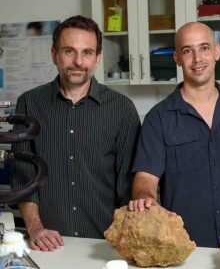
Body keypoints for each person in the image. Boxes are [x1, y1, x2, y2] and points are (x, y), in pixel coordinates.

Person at [10, 15, 141, 251]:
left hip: (105, 244)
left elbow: (128, 186)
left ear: (98, 58)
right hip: (48, 244)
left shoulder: (122, 109)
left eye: (87, 52)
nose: (78, 61)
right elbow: (23, 177)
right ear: (54, 54)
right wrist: (35, 228)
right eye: (69, 51)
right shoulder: (29, 103)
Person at [128, 22, 220, 248]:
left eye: (204, 48)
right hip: (183, 248)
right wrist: (145, 198)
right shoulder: (158, 119)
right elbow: (145, 180)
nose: (197, 59)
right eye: (187, 50)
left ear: (217, 51)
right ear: (177, 58)